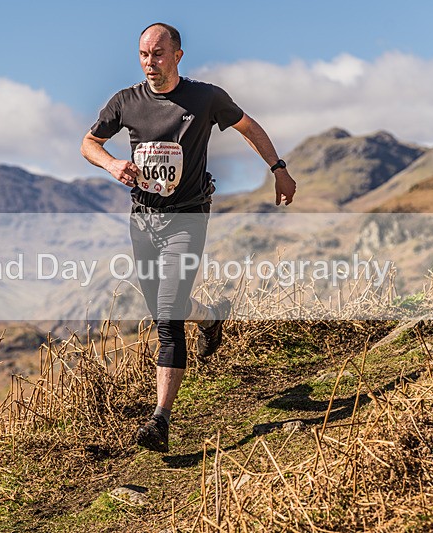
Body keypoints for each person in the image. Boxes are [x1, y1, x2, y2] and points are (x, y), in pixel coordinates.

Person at [80, 22, 296, 453]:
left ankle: (159, 420)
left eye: (158, 54)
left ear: (177, 55)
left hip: (188, 217)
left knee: (167, 318)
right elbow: (89, 142)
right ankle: (212, 318)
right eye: (144, 55)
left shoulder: (205, 97)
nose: (150, 63)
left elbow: (248, 127)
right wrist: (112, 164)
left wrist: (278, 168)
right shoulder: (125, 102)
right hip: (143, 219)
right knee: (165, 306)